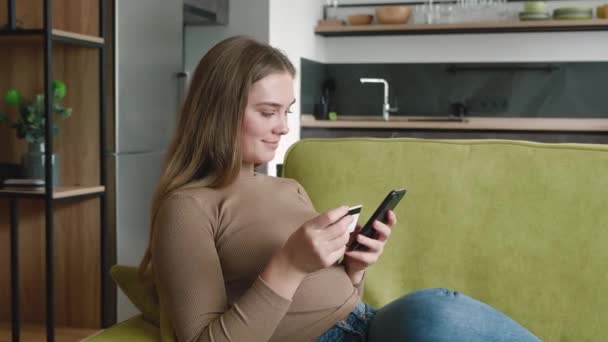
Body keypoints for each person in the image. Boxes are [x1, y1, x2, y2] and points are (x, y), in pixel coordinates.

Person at [139, 36, 541, 342]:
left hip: (368, 323)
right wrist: (289, 264)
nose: (283, 126)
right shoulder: (188, 207)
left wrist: (354, 267)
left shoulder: (289, 187)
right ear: (219, 111)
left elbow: (338, 295)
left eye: (287, 111)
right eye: (268, 112)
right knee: (436, 316)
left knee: (437, 312)